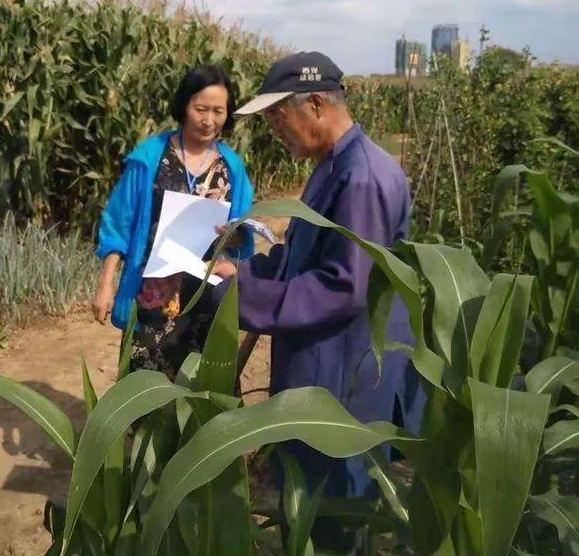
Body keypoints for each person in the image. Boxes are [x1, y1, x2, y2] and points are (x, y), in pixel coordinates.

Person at [210, 51, 422, 500]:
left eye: (277, 116)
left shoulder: (362, 178)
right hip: (322, 372)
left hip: (343, 389)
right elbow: (302, 256)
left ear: (317, 105)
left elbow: (343, 286)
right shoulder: (333, 166)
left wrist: (237, 296)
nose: (275, 129)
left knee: (331, 523)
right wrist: (243, 270)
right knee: (304, 511)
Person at [93, 65, 255, 380]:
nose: (210, 120)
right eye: (201, 109)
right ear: (184, 106)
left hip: (208, 297)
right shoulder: (150, 157)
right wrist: (105, 285)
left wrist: (233, 236)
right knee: (146, 389)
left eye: (219, 111)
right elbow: (118, 224)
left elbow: (243, 237)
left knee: (203, 388)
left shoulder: (232, 167)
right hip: (152, 297)